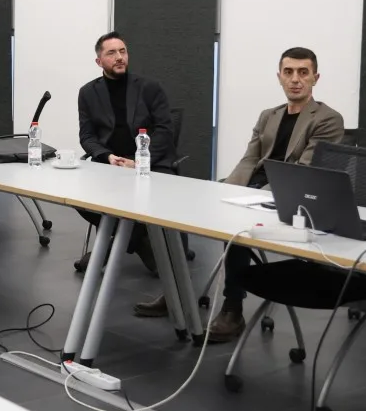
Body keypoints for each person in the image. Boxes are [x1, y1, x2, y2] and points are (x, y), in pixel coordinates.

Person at [137, 47, 344, 338]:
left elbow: (304, 172)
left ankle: (233, 309)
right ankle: (176, 293)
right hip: (253, 188)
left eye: (303, 72)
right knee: (182, 205)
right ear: (279, 77)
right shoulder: (269, 115)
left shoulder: (327, 119)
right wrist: (225, 192)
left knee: (236, 223)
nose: (295, 79)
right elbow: (249, 159)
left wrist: (251, 199)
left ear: (315, 78)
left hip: (293, 198)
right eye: (288, 72)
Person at [75, 32, 178, 275]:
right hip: (110, 163)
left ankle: (112, 247)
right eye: (112, 53)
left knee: (149, 192)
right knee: (77, 196)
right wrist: (107, 156)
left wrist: (139, 160)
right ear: (99, 61)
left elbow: (165, 130)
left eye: (123, 51)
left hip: (149, 163)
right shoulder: (88, 92)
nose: (119, 57)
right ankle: (139, 242)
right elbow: (87, 136)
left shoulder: (150, 88)